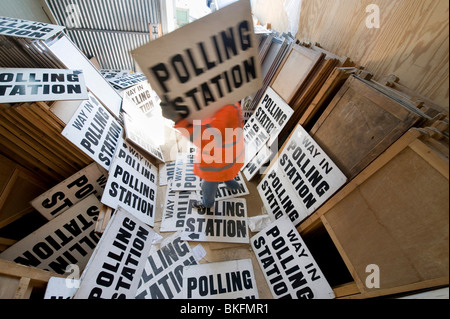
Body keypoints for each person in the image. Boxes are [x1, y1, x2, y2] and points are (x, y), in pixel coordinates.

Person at [161, 101, 245, 209]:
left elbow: (203, 139)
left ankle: (207, 204)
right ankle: (234, 186)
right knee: (227, 174)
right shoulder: (233, 104)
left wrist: (179, 120)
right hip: (231, 156)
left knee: (207, 187)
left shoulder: (220, 114)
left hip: (217, 164)